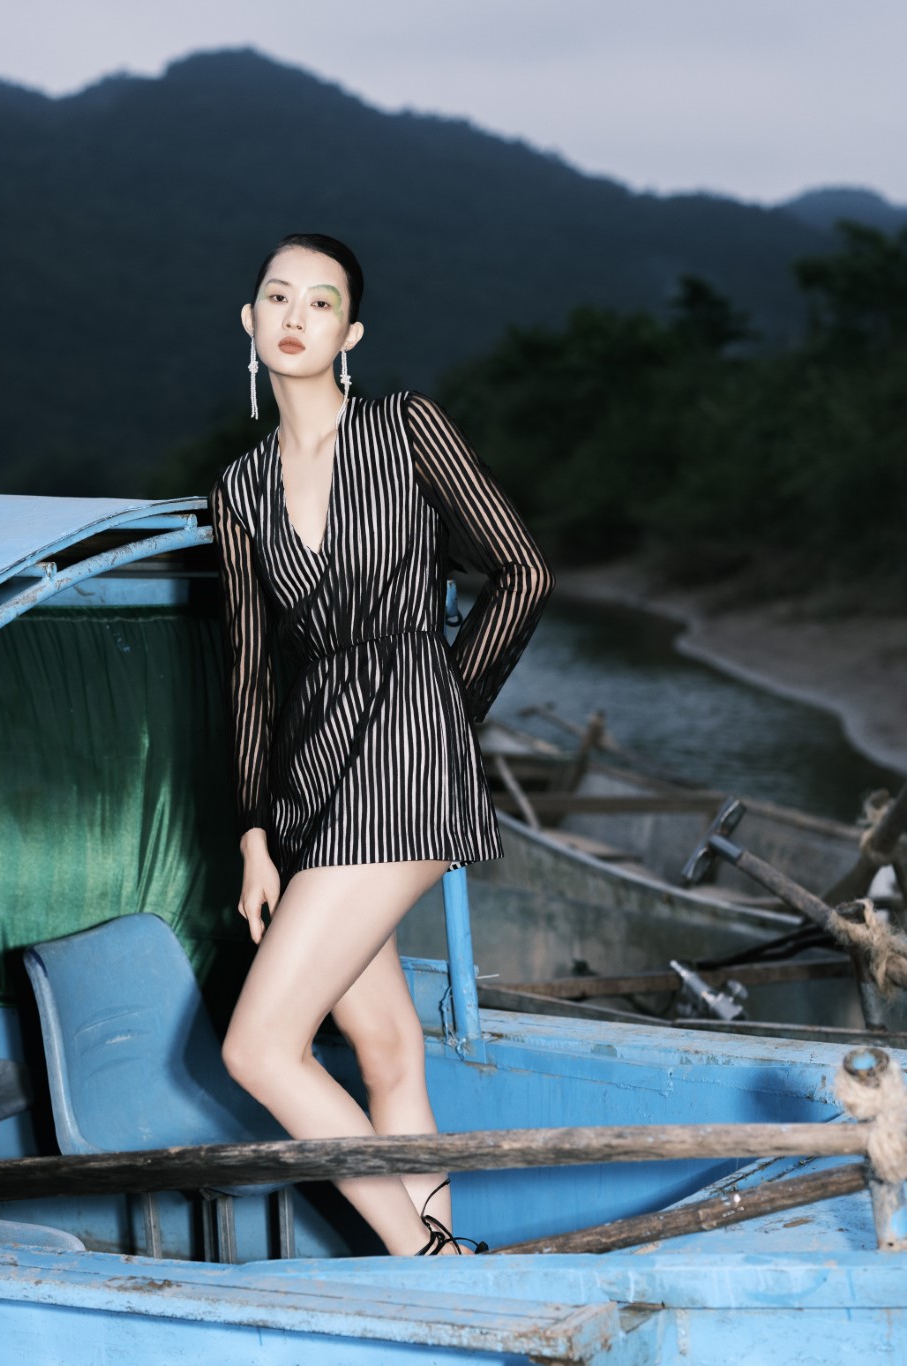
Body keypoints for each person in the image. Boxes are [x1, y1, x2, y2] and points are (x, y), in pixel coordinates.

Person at [207, 233, 554, 1256]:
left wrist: (442, 708)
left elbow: (523, 573)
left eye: (320, 302)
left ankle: (426, 1255)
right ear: (249, 321)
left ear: (349, 333)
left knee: (259, 1048)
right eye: (278, 297)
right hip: (311, 777)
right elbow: (250, 673)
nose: (295, 316)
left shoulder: (405, 428)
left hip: (404, 754)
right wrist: (254, 833)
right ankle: (443, 1276)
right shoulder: (238, 489)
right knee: (384, 1043)